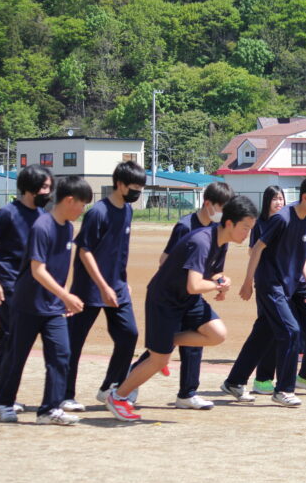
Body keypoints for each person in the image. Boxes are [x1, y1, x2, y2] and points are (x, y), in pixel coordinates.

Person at [105, 196, 258, 421]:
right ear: (229, 223)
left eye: (250, 228)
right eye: (245, 228)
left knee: (217, 334)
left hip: (187, 300)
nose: (247, 234)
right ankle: (117, 396)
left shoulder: (221, 241)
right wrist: (216, 284)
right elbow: (194, 284)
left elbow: (211, 273)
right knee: (159, 360)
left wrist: (221, 280)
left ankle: (169, 341)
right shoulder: (202, 241)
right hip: (165, 300)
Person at [221, 176, 306, 407]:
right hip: (270, 285)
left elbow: (301, 256)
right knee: (291, 331)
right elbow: (258, 248)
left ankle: (234, 381)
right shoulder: (282, 218)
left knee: (263, 334)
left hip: (288, 286)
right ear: (305, 198)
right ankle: (284, 390)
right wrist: (248, 281)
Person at [127, 181, 235, 409]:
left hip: (192, 294)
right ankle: (130, 381)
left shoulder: (220, 233)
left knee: (195, 341)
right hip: (172, 295)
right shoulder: (186, 227)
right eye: (222, 206)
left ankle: (187, 393)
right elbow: (165, 260)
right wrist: (189, 281)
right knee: (161, 349)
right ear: (208, 204)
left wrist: (220, 282)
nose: (225, 212)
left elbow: (216, 270)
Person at [0, 176, 93, 424]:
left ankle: (49, 410)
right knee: (17, 357)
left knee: (61, 355)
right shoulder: (43, 226)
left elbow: (61, 268)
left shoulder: (68, 228)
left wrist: (64, 299)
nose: (83, 210)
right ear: (70, 200)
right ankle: (4, 402)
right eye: (82, 204)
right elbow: (38, 270)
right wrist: (66, 296)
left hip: (53, 307)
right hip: (28, 305)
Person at [60, 161, 146, 412]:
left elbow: (119, 252)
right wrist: (102, 286)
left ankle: (110, 386)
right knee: (74, 343)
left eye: (140, 188)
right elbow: (85, 251)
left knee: (128, 335)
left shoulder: (127, 211)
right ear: (119, 184)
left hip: (117, 287)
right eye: (133, 187)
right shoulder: (98, 212)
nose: (137, 192)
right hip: (89, 289)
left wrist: (122, 282)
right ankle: (65, 395)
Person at [0, 164, 53, 411]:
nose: (48, 192)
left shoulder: (44, 216)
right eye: (44, 187)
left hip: (30, 288)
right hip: (8, 284)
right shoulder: (8, 213)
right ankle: (0, 394)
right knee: (13, 337)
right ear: (30, 187)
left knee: (9, 337)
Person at [249, 186, 286, 395]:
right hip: (266, 281)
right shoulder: (260, 224)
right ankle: (263, 378)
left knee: (274, 329)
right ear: (266, 201)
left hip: (283, 282)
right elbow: (251, 250)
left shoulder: (285, 222)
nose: (278, 202)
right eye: (274, 199)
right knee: (268, 329)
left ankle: (266, 378)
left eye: (281, 198)